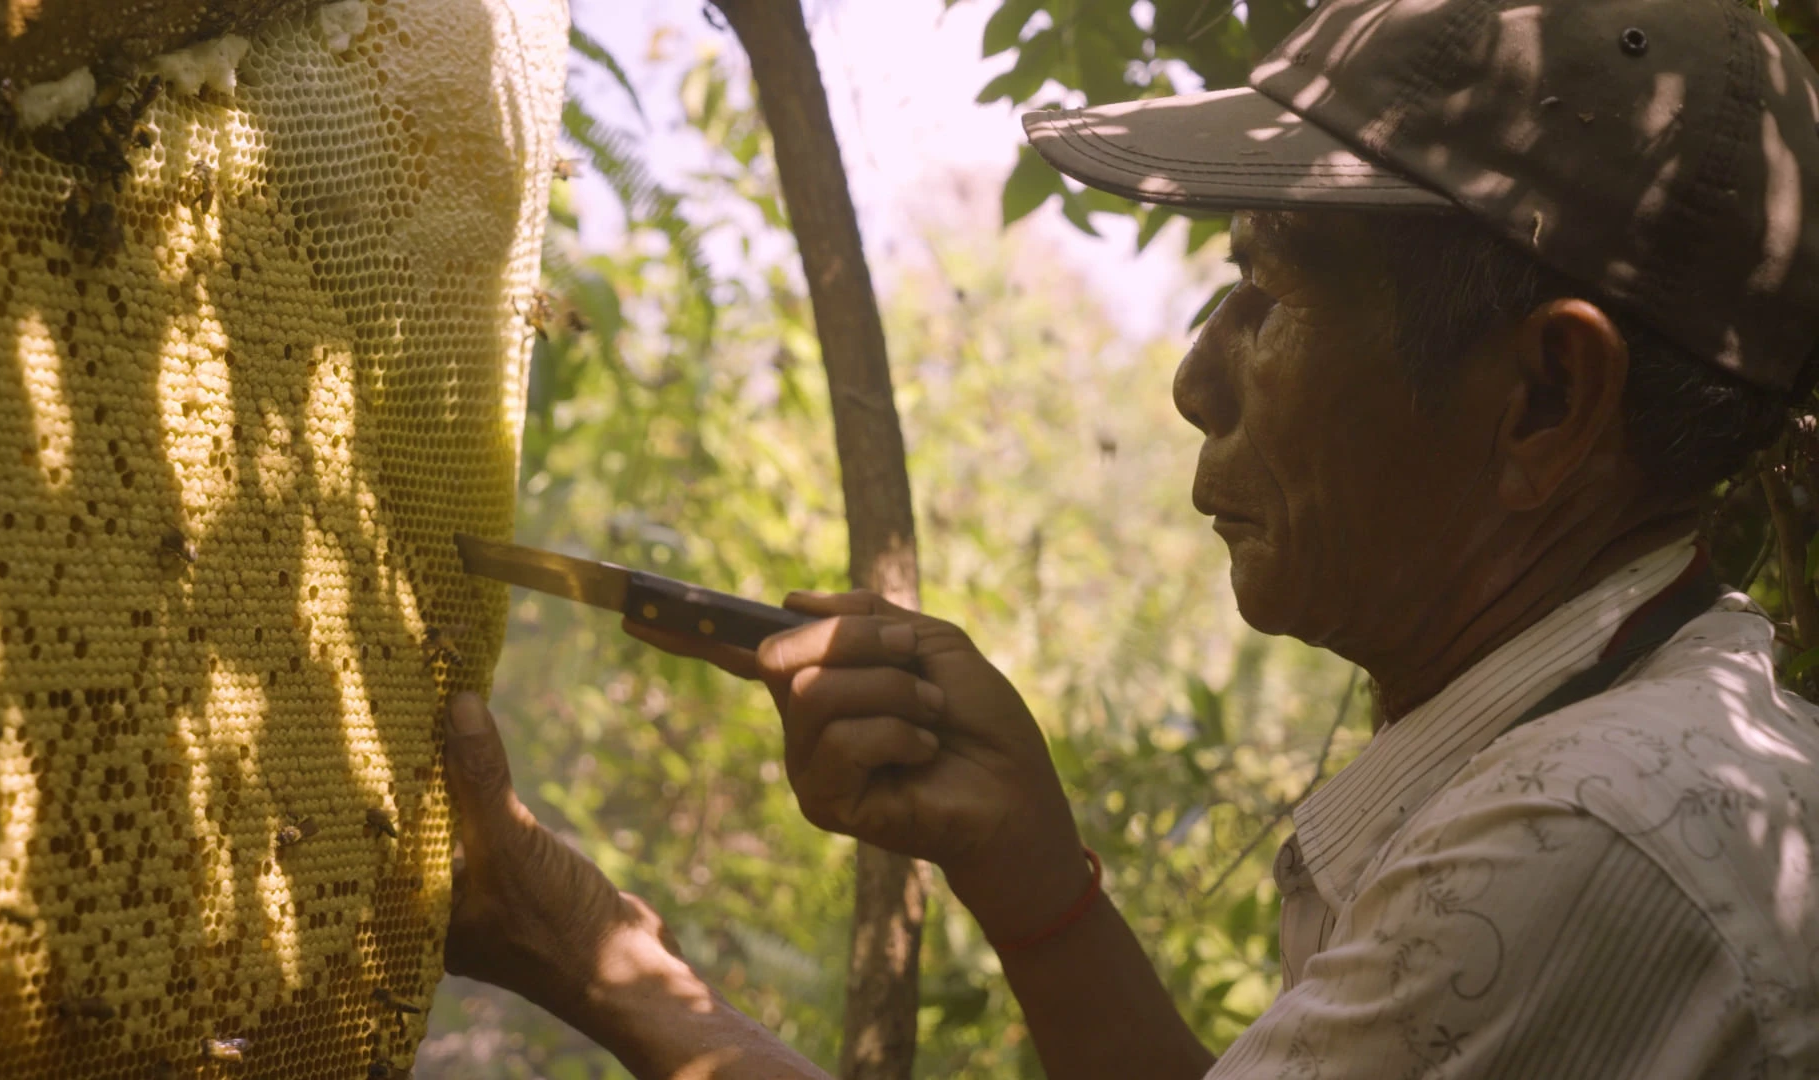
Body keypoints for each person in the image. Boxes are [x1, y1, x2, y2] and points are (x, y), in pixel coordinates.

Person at [439, 0, 1819, 1074]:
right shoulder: (1636, 734)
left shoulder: (1590, 845)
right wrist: (1035, 884)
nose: (1194, 383)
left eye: (1264, 295)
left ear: (1544, 400)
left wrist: (585, 949)